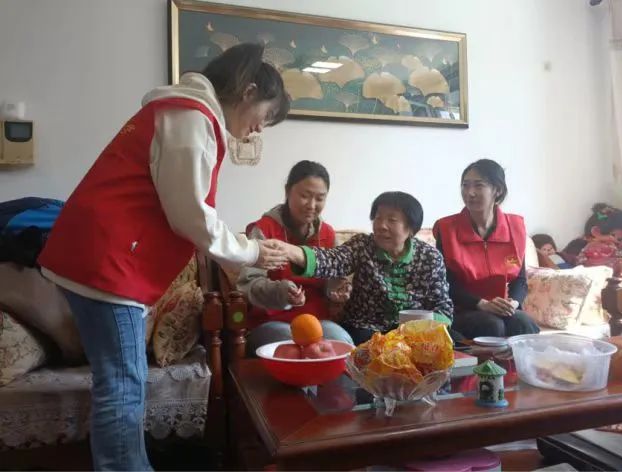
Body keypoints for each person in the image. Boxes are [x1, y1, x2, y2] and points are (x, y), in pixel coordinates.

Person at [37, 43, 290, 471]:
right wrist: (249, 250)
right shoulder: (190, 118)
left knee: (121, 382)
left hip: (100, 261)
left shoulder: (182, 112)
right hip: (106, 266)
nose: (258, 129)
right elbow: (190, 215)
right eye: (265, 116)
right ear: (248, 92)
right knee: (123, 385)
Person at [280, 191, 454, 345]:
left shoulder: (430, 257)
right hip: (365, 329)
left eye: (391, 220)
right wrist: (290, 251)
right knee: (368, 346)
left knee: (449, 342)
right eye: (378, 218)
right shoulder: (362, 245)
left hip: (415, 333)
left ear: (411, 229)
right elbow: (331, 260)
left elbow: (442, 307)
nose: (381, 225)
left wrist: (423, 328)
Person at [237, 160, 353, 353]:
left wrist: (336, 288)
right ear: (287, 191)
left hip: (317, 322)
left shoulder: (327, 234)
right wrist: (281, 292)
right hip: (271, 321)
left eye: (320, 198)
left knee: (342, 343)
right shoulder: (264, 230)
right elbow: (248, 284)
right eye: (304, 196)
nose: (312, 205)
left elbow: (334, 278)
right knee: (292, 348)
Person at [433, 159, 539, 340]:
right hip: (463, 308)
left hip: (501, 307)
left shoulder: (515, 228)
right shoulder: (446, 229)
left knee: (523, 322)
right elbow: (445, 283)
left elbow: (520, 280)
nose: (470, 192)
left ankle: (524, 360)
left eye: (478, 185)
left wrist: (513, 303)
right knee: (491, 325)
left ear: (498, 190)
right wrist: (481, 303)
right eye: (465, 185)